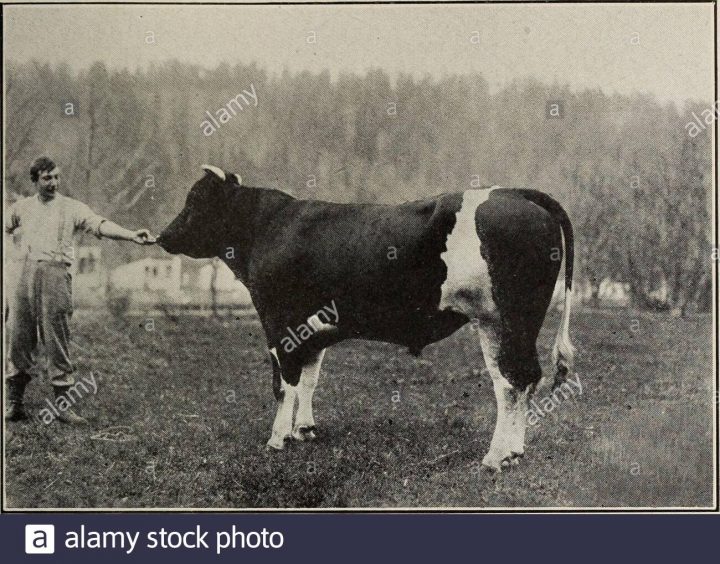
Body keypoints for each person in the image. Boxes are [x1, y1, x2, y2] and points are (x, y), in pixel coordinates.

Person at [4, 156, 156, 424]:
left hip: (55, 274)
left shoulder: (71, 207)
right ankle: (14, 404)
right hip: (22, 276)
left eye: (57, 177)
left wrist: (131, 234)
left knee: (57, 338)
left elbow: (99, 224)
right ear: (35, 180)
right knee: (18, 338)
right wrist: (12, 256)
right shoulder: (22, 208)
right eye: (47, 178)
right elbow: (5, 228)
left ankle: (62, 405)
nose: (54, 183)